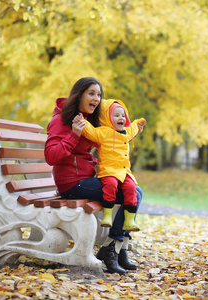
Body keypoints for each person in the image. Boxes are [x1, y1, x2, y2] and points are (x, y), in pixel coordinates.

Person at [44, 77, 143, 274]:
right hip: (71, 183)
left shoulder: (89, 122)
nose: (96, 98)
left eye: (99, 94)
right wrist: (73, 135)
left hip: (86, 180)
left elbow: (100, 147)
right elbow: (50, 156)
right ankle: (112, 249)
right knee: (132, 194)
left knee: (134, 190)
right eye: (91, 93)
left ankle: (115, 248)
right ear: (78, 95)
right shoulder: (61, 121)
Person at [78, 99, 146, 231]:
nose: (121, 118)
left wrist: (138, 124)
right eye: (116, 115)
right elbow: (91, 132)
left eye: (123, 115)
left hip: (123, 171)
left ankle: (129, 220)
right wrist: (83, 122)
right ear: (108, 119)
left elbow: (132, 129)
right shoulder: (104, 132)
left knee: (131, 188)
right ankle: (107, 215)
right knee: (111, 186)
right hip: (108, 171)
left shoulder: (125, 133)